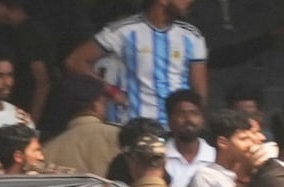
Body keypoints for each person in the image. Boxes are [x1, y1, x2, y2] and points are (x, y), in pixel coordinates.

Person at [71, 0, 203, 127]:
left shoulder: (191, 35)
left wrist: (198, 122)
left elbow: (199, 90)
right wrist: (111, 90)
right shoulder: (123, 30)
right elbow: (75, 61)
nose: (190, 1)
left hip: (177, 130)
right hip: (134, 128)